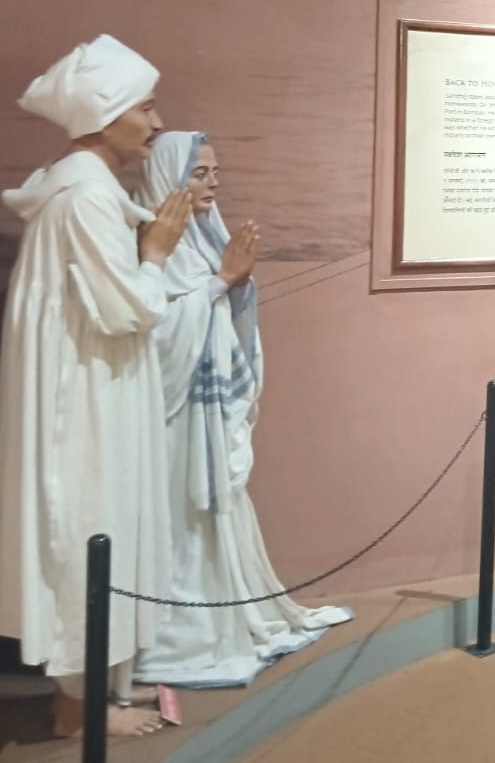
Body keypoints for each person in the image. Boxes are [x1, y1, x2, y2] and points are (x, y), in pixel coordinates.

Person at [0, 35, 190, 737]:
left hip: (96, 381)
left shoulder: (88, 189)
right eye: (146, 107)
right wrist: (158, 254)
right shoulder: (84, 196)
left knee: (101, 519)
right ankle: (76, 706)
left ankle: (96, 689)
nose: (156, 123)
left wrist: (150, 238)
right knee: (88, 521)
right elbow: (126, 308)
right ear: (106, 117)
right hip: (84, 395)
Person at [128, 132, 352, 687]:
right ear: (168, 179)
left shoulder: (205, 239)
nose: (213, 183)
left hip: (204, 414)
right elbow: (150, 341)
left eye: (215, 171)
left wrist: (230, 283)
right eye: (199, 173)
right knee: (178, 521)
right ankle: (178, 635)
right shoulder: (148, 250)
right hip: (171, 423)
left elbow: (223, 304)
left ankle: (223, 611)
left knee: (213, 516)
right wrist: (220, 282)